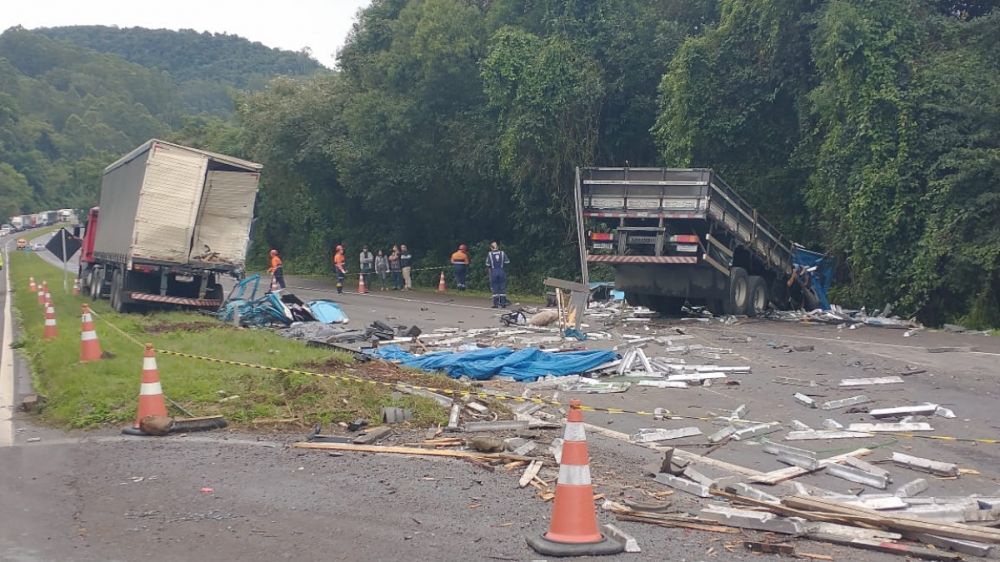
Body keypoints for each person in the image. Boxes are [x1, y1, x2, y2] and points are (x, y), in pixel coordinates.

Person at [485, 241, 510, 308]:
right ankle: (503, 303)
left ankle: (495, 304)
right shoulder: (502, 253)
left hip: (493, 272)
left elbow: (488, 265)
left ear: (491, 247)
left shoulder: (489, 254)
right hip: (501, 271)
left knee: (495, 287)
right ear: (498, 247)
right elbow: (507, 262)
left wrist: (489, 274)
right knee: (502, 287)